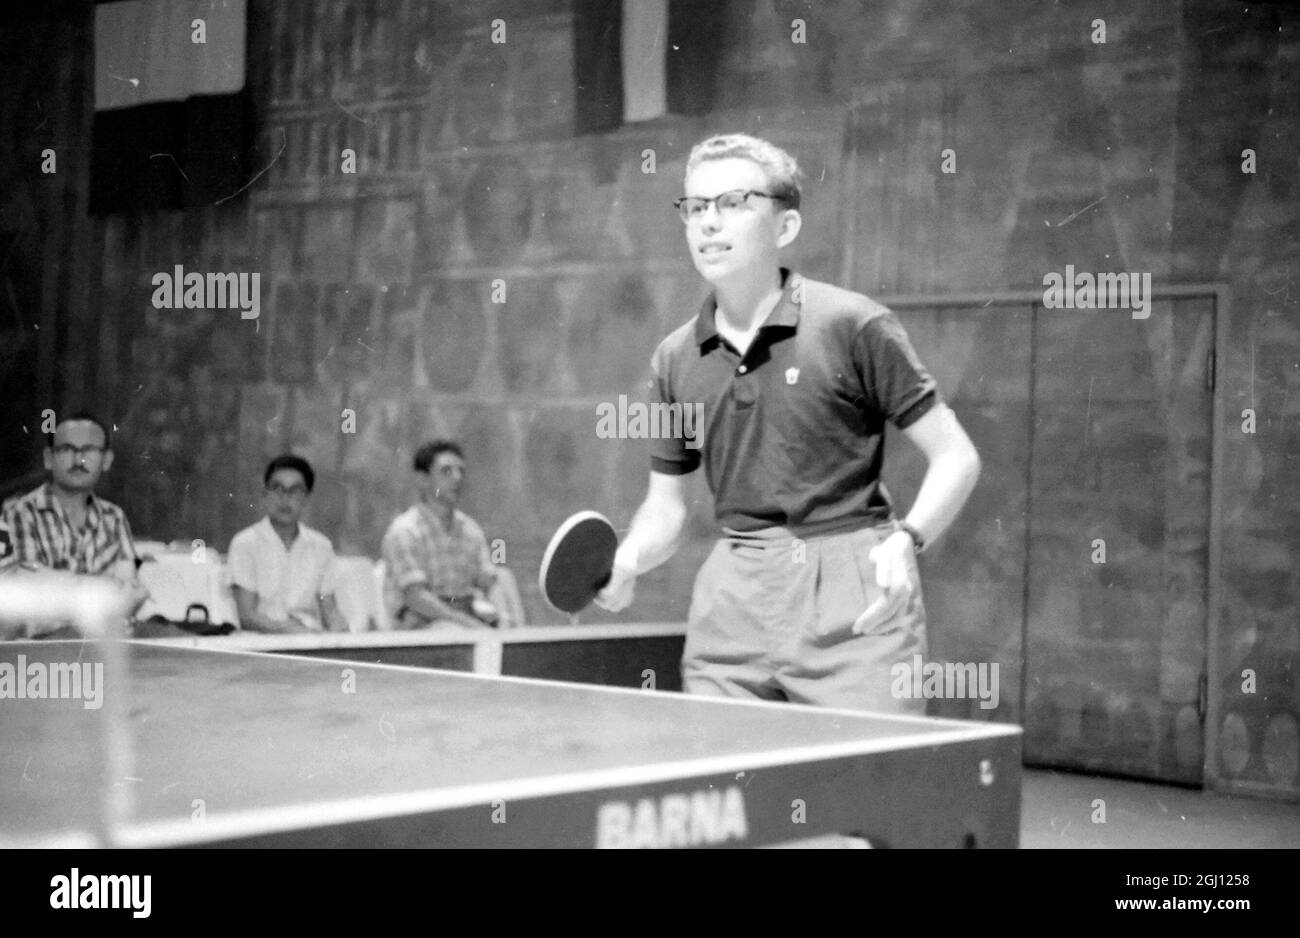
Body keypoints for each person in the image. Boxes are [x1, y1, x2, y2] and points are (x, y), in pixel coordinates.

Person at [596, 134, 982, 713]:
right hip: (734, 595)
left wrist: (909, 538)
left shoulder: (852, 324)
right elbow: (666, 505)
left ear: (785, 227)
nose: (708, 222)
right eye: (696, 208)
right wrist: (628, 561)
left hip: (853, 589)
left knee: (865, 793)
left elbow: (956, 456)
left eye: (733, 203)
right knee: (725, 791)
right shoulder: (674, 357)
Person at [1, 411, 148, 636]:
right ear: (49, 457)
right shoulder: (21, 514)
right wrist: (105, 592)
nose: (78, 459)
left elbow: (131, 591)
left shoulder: (114, 517)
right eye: (67, 449)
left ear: (106, 460)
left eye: (89, 450)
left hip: (111, 641)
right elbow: (31, 594)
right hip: (47, 651)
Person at [380, 440, 506, 629]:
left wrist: (505, 620)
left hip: (466, 623)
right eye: (446, 471)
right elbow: (416, 597)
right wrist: (466, 623)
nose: (457, 478)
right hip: (420, 628)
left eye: (461, 471)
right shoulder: (405, 531)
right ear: (423, 479)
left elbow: (489, 582)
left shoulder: (470, 529)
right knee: (452, 631)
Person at [226, 455, 350, 633]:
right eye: (277, 488)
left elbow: (329, 609)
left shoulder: (321, 546)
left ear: (306, 498)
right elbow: (246, 616)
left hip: (309, 644)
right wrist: (287, 631)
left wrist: (342, 633)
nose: (285, 498)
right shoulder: (245, 543)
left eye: (295, 490)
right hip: (260, 646)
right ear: (265, 494)